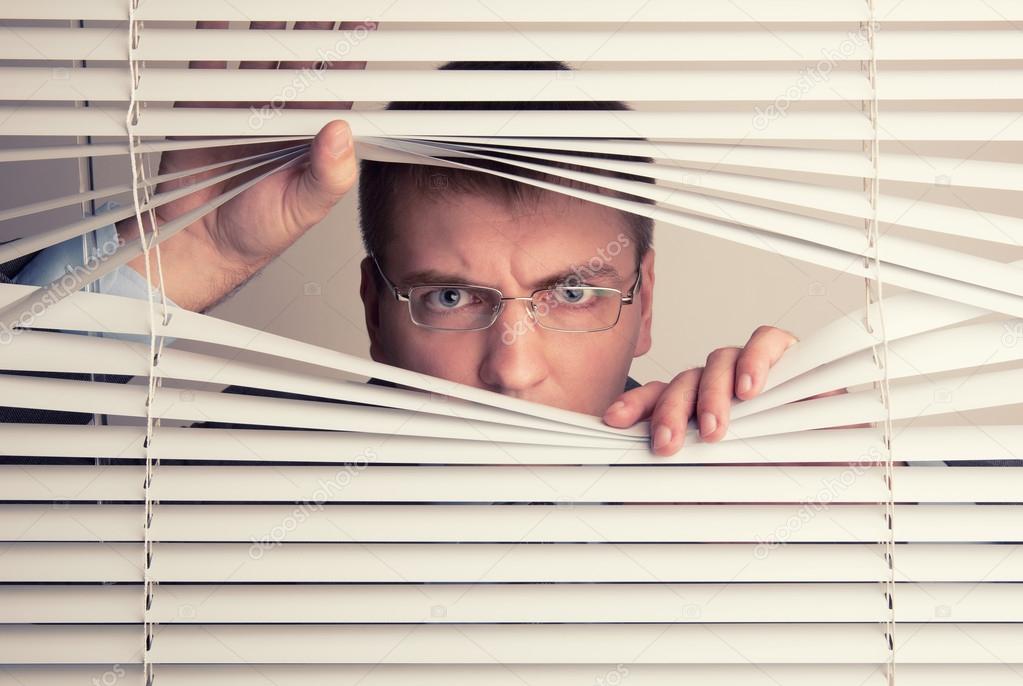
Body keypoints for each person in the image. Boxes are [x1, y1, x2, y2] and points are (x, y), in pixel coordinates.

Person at [5, 49, 818, 456]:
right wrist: (185, 257)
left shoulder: (720, 481)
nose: (512, 370)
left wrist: (836, 473)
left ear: (642, 307)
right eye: (450, 297)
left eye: (572, 293)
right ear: (372, 307)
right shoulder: (248, 476)